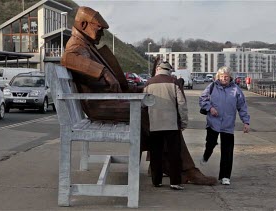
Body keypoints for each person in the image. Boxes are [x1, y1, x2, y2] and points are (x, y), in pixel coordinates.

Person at [61, 6, 216, 185]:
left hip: (109, 100)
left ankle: (161, 165)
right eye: (99, 29)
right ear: (83, 24)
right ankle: (184, 169)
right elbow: (68, 58)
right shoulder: (76, 45)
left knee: (157, 113)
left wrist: (144, 87)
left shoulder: (86, 45)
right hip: (99, 105)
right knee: (158, 115)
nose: (102, 34)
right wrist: (104, 72)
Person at [199, 66, 250, 185]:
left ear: (230, 77)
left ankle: (225, 176)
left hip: (228, 124)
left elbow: (242, 107)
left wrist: (246, 122)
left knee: (227, 151)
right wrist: (210, 108)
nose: (224, 79)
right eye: (221, 76)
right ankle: (206, 155)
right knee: (210, 143)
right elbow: (202, 99)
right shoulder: (212, 87)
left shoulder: (236, 90)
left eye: (226, 76)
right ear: (218, 77)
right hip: (213, 122)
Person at [144, 61, 187, 190]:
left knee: (156, 153)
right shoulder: (174, 82)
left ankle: (156, 181)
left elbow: (143, 103)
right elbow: (182, 104)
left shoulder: (149, 83)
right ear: (169, 70)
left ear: (158, 69)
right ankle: (175, 182)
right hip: (171, 124)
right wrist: (183, 122)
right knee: (174, 154)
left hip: (154, 123)